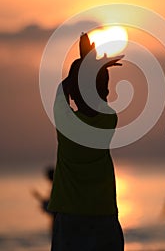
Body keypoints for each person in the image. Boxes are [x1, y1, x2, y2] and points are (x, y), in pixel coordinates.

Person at [47, 33, 124, 251]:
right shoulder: (109, 120)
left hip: (69, 217)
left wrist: (84, 65)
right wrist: (91, 64)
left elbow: (63, 90)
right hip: (104, 214)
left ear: (73, 92)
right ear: (105, 93)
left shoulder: (65, 122)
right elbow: (97, 102)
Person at [31, 167, 56, 236]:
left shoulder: (55, 187)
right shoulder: (55, 187)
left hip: (57, 218)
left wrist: (38, 197)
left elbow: (51, 205)